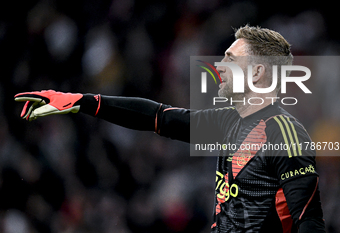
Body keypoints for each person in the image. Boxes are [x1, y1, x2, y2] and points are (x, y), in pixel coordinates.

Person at [15, 25, 325, 233]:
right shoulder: (227, 122)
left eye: (229, 59)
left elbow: (308, 221)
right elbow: (158, 117)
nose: (218, 66)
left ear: (257, 72)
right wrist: (80, 101)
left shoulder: (285, 134)